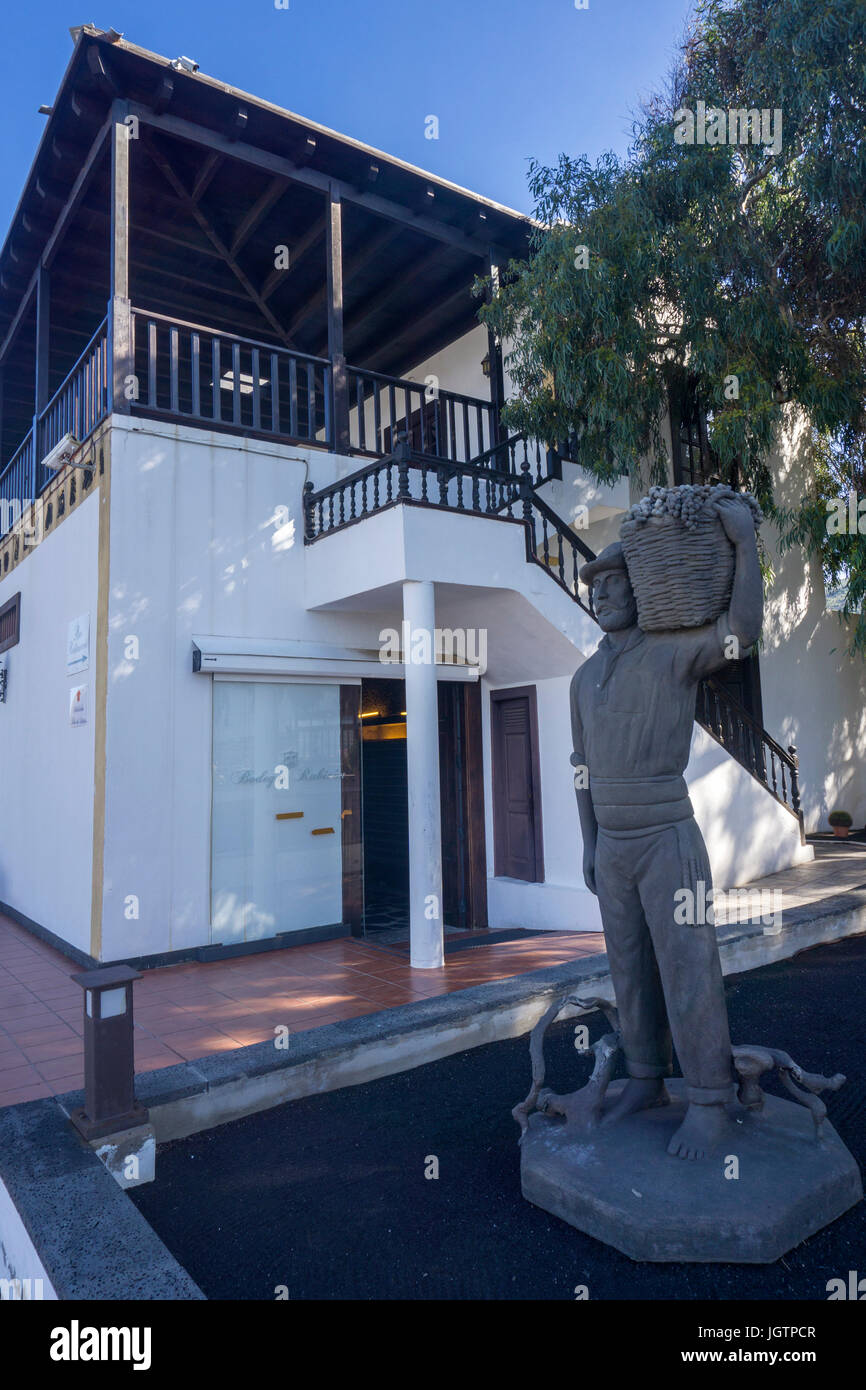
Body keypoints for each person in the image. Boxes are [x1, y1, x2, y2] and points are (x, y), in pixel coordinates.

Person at [570, 498, 763, 1158]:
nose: (604, 594)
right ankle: (645, 1078)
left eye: (616, 582)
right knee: (628, 970)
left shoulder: (675, 652)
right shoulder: (584, 677)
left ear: (642, 586)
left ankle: (709, 1098)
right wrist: (590, 842)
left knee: (688, 966)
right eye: (596, 586)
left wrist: (743, 545)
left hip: (666, 837)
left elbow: (741, 632)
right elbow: (581, 769)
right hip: (615, 843)